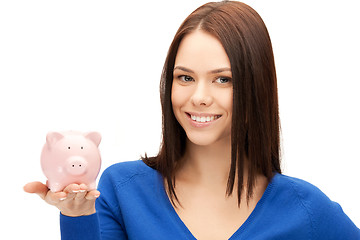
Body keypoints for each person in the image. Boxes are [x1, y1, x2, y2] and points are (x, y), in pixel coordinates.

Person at [24, 1, 360, 239]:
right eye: (185, 78)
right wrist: (77, 216)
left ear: (256, 87)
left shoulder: (306, 209)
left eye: (223, 79)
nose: (199, 96)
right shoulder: (122, 190)